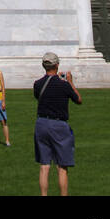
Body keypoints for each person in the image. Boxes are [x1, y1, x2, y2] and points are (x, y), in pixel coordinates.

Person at [33, 53, 81, 197]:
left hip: (41, 123)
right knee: (61, 166)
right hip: (59, 125)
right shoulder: (63, 84)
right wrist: (70, 81)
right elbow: (78, 100)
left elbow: (38, 97)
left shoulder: (37, 84)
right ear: (57, 65)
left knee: (44, 166)